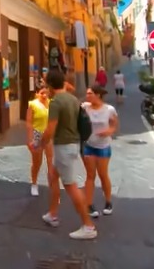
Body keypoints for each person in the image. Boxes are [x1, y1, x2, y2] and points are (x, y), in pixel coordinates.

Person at [40, 69, 97, 240]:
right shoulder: (73, 98)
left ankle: (88, 226)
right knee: (52, 175)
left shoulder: (56, 102)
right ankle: (52, 213)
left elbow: (50, 129)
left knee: (71, 186)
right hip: (73, 144)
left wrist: (40, 142)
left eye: (45, 84)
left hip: (63, 147)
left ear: (50, 84)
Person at [82, 85, 118, 218]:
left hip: (103, 146)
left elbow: (114, 124)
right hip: (89, 145)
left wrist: (110, 131)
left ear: (98, 95)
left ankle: (108, 202)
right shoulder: (85, 107)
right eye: (87, 94)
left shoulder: (109, 109)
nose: (87, 96)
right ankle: (89, 205)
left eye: (90, 93)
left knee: (103, 175)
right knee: (90, 176)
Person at [26, 84, 54, 197]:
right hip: (36, 134)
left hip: (48, 134)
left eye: (46, 92)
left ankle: (52, 185)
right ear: (36, 93)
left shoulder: (51, 103)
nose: (44, 95)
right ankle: (34, 183)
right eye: (41, 93)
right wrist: (30, 139)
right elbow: (28, 123)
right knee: (37, 162)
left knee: (50, 162)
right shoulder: (32, 105)